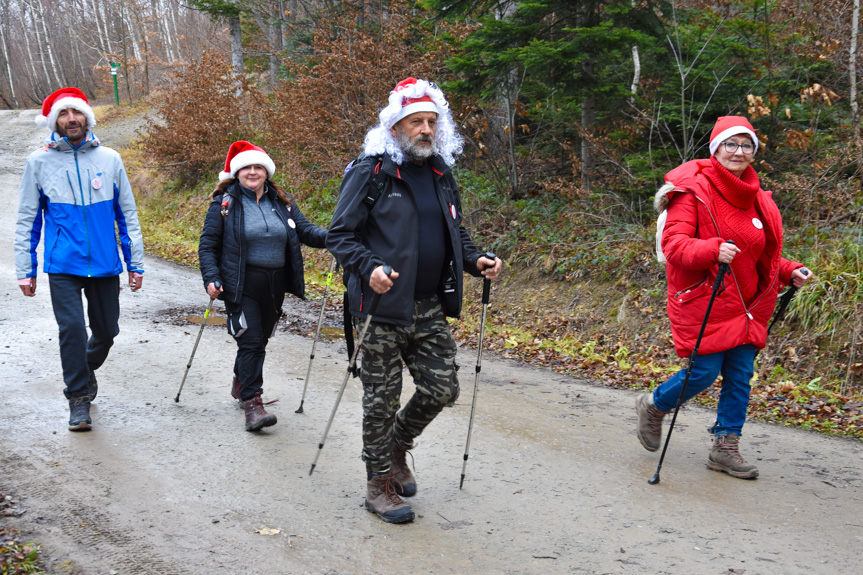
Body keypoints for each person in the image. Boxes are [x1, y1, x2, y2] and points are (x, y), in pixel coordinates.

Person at [327, 77, 502, 523]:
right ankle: (380, 484)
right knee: (379, 402)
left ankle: (398, 444)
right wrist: (370, 268)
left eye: (431, 121)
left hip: (428, 305)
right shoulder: (371, 171)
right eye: (415, 121)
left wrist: (476, 258)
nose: (425, 129)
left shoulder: (442, 173)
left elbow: (453, 232)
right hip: (380, 307)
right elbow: (340, 236)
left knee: (444, 388)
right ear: (396, 126)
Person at [638, 116, 812, 479]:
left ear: (754, 152)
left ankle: (725, 446)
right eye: (730, 144)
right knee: (703, 372)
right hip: (707, 298)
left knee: (739, 377)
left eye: (746, 145)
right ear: (715, 149)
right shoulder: (692, 192)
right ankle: (655, 406)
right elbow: (675, 246)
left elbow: (760, 255)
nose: (738, 151)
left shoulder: (759, 198)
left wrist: (788, 270)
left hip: (749, 304)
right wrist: (713, 249)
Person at [14, 87, 145, 432]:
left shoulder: (110, 159)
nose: (71, 119)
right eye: (63, 114)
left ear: (87, 117)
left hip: (104, 263)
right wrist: (24, 270)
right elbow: (28, 220)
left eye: (76, 113)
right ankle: (77, 399)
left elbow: (127, 215)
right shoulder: (38, 163)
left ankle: (84, 371)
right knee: (71, 329)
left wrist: (136, 263)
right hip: (63, 265)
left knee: (107, 331)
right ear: (54, 121)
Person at [199, 141, 327, 431]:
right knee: (252, 339)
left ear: (267, 172)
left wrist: (333, 238)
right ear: (237, 172)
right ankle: (252, 404)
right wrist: (211, 277)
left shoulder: (282, 202)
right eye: (247, 167)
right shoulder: (224, 204)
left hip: (275, 284)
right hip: (240, 282)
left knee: (260, 340)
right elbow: (208, 246)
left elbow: (305, 230)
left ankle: (241, 380)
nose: (253, 172)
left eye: (259, 167)